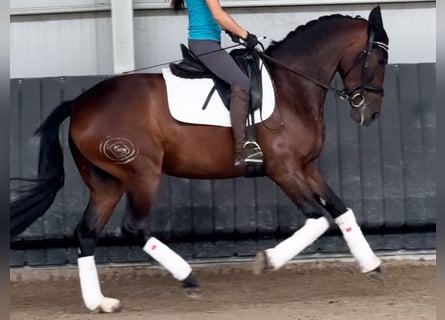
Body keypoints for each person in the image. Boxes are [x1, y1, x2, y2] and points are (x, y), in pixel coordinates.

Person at [173, 0, 263, 166]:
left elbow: (209, 17)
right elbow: (218, 15)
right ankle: (241, 150)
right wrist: (246, 35)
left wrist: (230, 31)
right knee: (242, 83)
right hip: (204, 44)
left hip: (207, 42)